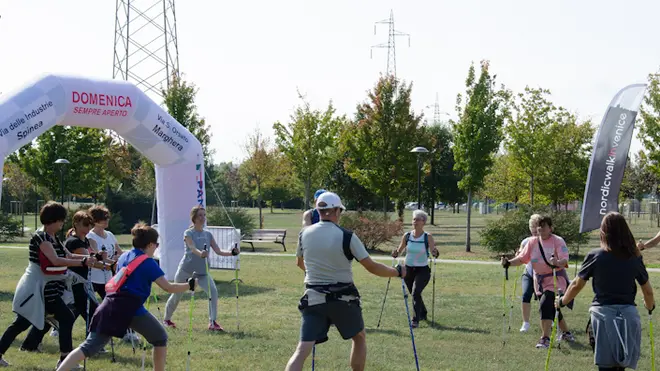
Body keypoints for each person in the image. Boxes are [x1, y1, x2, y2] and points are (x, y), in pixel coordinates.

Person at [285, 192, 406, 371]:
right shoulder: (347, 236)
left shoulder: (304, 234)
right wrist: (396, 272)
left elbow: (300, 263)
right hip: (344, 300)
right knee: (359, 337)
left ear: (319, 210)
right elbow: (371, 267)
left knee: (302, 349)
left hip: (312, 298)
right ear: (336, 210)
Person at [56, 223, 198, 371]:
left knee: (88, 347)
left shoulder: (124, 256)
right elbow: (168, 287)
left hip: (109, 306)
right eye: (156, 245)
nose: (156, 248)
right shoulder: (149, 263)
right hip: (131, 309)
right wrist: (189, 285)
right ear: (150, 244)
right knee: (160, 337)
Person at [0, 202, 95, 369]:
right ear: (54, 219)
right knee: (55, 319)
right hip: (37, 289)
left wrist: (91, 259)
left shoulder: (53, 238)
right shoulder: (40, 237)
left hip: (48, 289)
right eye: (61, 220)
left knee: (23, 323)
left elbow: (68, 255)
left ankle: (65, 360)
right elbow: (55, 260)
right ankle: (65, 361)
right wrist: (83, 262)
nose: (62, 224)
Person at [556, 212, 654, 371]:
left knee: (605, 366)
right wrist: (650, 306)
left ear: (604, 231)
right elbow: (648, 291)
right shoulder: (635, 256)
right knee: (620, 365)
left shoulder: (596, 255)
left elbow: (576, 285)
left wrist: (561, 301)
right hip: (628, 317)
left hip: (602, 317)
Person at [20, 211, 108, 354]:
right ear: (76, 224)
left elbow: (88, 259)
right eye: (85, 224)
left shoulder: (86, 241)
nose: (88, 228)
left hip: (78, 283)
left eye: (90, 225)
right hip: (72, 284)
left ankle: (31, 344)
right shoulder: (74, 241)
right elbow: (77, 260)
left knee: (60, 317)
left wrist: (100, 260)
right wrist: (104, 264)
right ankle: (91, 346)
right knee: (91, 312)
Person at [501, 215, 575, 348]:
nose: (540, 229)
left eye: (544, 226)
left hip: (555, 279)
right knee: (552, 308)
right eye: (539, 226)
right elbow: (522, 258)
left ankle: (545, 338)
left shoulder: (558, 241)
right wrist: (508, 263)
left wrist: (556, 262)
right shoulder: (532, 242)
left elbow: (564, 260)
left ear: (550, 228)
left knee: (545, 303)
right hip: (539, 281)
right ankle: (566, 333)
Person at [163, 205, 239, 331]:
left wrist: (232, 253)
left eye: (204, 215)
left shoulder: (208, 234)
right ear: (194, 218)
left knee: (213, 292)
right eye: (200, 215)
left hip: (202, 272)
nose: (203, 218)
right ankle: (166, 319)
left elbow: (218, 251)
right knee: (177, 295)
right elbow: (192, 248)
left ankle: (213, 322)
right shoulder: (188, 233)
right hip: (186, 270)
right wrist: (201, 254)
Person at [84, 205, 136, 344]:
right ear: (95, 220)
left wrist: (131, 256)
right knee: (83, 307)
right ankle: (57, 328)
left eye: (107, 218)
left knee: (116, 306)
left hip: (108, 279)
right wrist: (113, 263)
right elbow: (98, 257)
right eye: (103, 218)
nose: (106, 221)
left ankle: (127, 333)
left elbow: (119, 252)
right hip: (94, 278)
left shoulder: (110, 235)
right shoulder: (91, 237)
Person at [391, 209, 439, 328]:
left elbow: (434, 252)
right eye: (413, 219)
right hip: (408, 269)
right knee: (415, 294)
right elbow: (400, 250)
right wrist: (395, 253)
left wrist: (435, 252)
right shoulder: (407, 236)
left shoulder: (427, 237)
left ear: (423, 222)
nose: (414, 221)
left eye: (417, 219)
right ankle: (423, 312)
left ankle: (415, 320)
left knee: (416, 292)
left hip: (422, 270)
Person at [518, 214, 543, 332]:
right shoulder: (525, 241)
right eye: (532, 227)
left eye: (536, 226)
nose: (534, 230)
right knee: (525, 295)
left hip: (543, 275)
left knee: (544, 299)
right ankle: (525, 323)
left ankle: (550, 320)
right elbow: (520, 256)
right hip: (529, 272)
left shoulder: (548, 241)